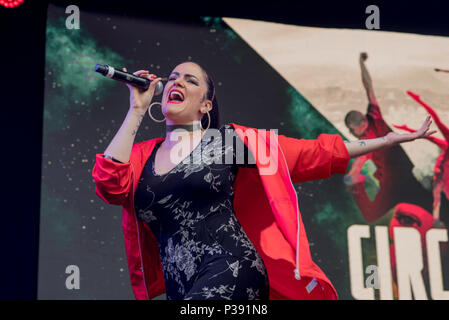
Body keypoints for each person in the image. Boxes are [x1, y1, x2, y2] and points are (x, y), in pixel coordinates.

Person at [92, 61, 435, 300]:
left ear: (205, 105)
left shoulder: (227, 144)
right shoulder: (142, 156)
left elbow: (314, 153)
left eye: (190, 80)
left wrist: (388, 141)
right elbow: (110, 184)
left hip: (233, 269)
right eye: (173, 76)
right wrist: (136, 109)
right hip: (184, 286)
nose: (177, 82)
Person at [344, 52, 434, 222]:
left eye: (352, 131)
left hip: (393, 185)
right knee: (425, 203)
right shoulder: (374, 115)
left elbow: (359, 163)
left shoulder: (366, 141)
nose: (351, 134)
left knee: (370, 215)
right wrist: (361, 63)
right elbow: (368, 86)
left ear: (358, 127)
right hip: (406, 173)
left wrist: (351, 181)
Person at [393, 91, 449, 226]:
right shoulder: (446, 143)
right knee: (437, 198)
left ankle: (436, 219)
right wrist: (418, 100)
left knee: (438, 198)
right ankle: (436, 219)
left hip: (442, 178)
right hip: (440, 176)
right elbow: (435, 122)